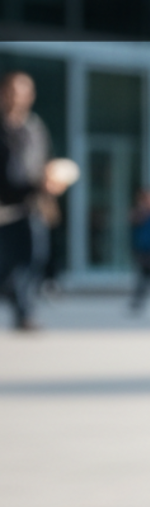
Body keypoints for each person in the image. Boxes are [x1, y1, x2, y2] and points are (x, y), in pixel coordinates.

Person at [0, 71, 70, 331]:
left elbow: (43, 162)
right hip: (4, 206)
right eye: (13, 91)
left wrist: (51, 180)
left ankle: (23, 312)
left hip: (30, 205)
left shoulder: (34, 126)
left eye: (23, 92)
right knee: (8, 264)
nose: (18, 97)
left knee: (32, 258)